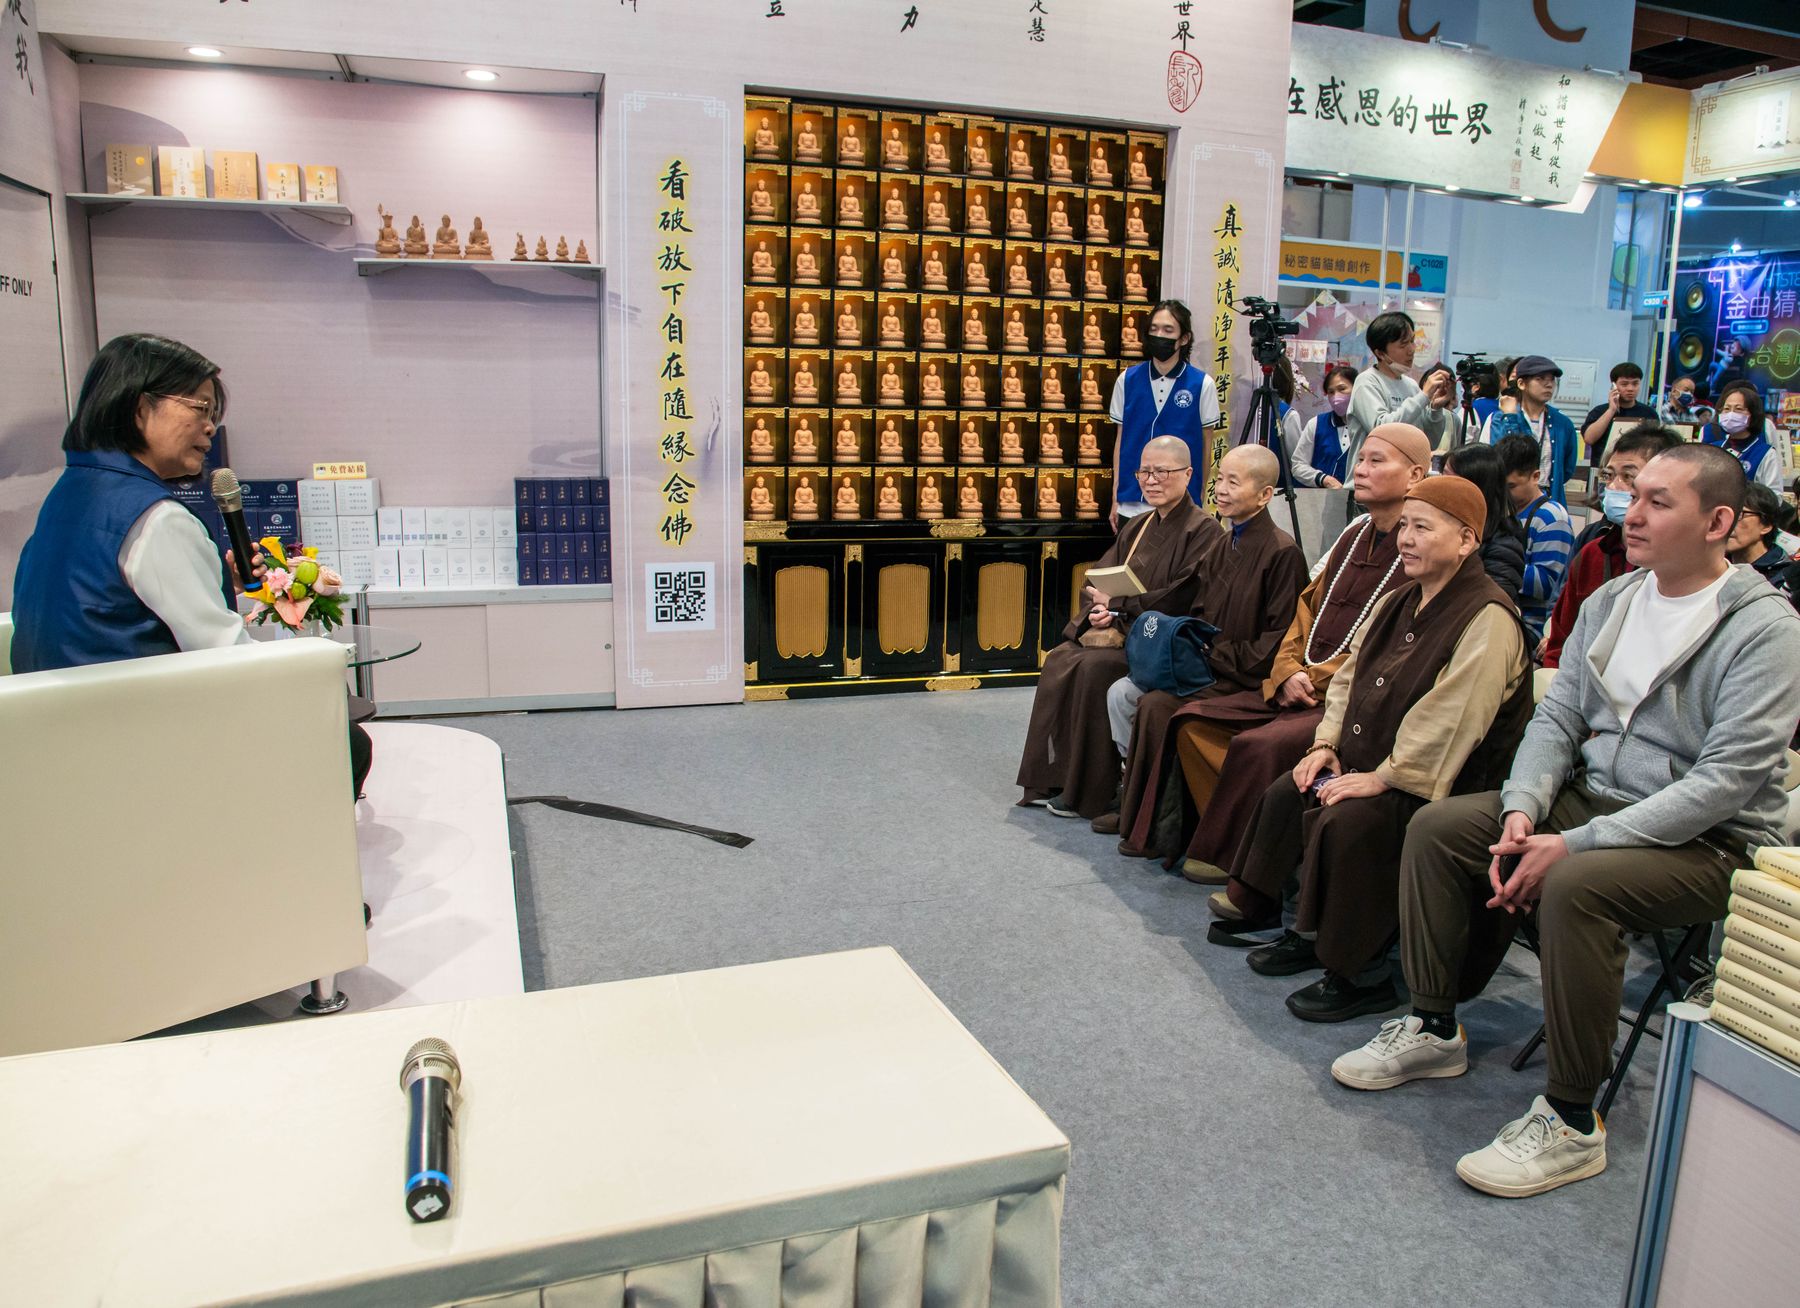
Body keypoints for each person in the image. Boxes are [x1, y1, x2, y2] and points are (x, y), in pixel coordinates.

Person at [1331, 444, 1800, 1199]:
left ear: (1718, 522)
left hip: (1713, 841)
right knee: (1441, 828)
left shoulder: (1766, 628)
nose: (1630, 513)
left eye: (1656, 501)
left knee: (1578, 885)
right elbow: (1557, 719)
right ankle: (1433, 1024)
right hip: (1594, 800)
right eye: (1629, 493)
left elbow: (1725, 784)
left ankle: (1573, 1117)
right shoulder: (1616, 599)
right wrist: (1523, 807)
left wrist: (1572, 842)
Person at [1211, 475, 1532, 1023]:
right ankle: (1303, 932)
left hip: (1440, 783)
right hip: (1373, 760)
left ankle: (1362, 972)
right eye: (1404, 526)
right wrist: (1326, 743)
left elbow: (1452, 720)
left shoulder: (1489, 617)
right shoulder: (1398, 599)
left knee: (1352, 821)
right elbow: (1348, 679)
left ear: (1466, 540)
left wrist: (1385, 777)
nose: (1405, 539)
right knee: (1292, 788)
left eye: (1422, 528)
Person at [9, 334, 372, 797]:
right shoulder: (156, 517)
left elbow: (108, 600)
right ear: (140, 408)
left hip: (57, 735)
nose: (210, 428)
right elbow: (228, 661)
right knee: (347, 742)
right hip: (138, 744)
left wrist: (220, 581)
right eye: (200, 408)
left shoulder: (70, 491)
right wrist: (313, 674)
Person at [1164, 423, 1426, 886]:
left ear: (1416, 476)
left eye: (1376, 461)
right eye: (1361, 459)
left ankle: (1247, 867)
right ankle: (1225, 836)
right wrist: (1286, 669)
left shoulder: (1418, 549)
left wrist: (1310, 677)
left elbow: (1387, 647)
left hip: (1343, 698)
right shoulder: (1354, 533)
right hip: (1296, 680)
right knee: (1191, 723)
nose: (1360, 470)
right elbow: (1305, 610)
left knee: (1257, 747)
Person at [1105, 445, 1306, 848]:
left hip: (1243, 678)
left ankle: (1163, 826)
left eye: (1234, 482)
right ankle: (1139, 806)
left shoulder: (1282, 552)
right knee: (1125, 691)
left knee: (1155, 705)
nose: (1222, 490)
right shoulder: (1224, 543)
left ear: (1265, 495)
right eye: (1220, 480)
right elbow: (1194, 606)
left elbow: (1278, 640)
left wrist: (1212, 656)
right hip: (1207, 664)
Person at [1017, 437, 1222, 819]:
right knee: (1061, 659)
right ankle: (1057, 777)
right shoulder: (1139, 526)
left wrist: (1119, 607)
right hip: (1120, 626)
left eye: (1163, 471)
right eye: (1144, 471)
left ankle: (1096, 790)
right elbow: (1099, 577)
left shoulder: (1205, 531)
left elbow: (1182, 595)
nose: (1151, 480)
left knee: (1094, 669)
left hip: (1156, 643)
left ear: (1188, 474)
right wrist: (1097, 610)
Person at [1542, 427, 1682, 667]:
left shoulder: (1678, 562)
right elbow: (1561, 637)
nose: (1614, 486)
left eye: (1628, 477)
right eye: (1609, 476)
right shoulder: (1593, 551)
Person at [1107, 300, 1220, 528]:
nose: (1160, 335)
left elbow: (1205, 446)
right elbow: (1121, 441)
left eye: (1168, 330)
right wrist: (1115, 497)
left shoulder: (1202, 384)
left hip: (1180, 503)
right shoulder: (1127, 379)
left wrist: (1199, 496)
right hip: (1133, 500)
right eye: (1154, 329)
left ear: (1184, 338)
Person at [1344, 311, 1451, 467]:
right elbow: (1382, 430)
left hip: (1403, 477)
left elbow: (1427, 443)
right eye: (1403, 344)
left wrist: (1435, 410)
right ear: (1380, 353)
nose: (1412, 349)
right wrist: (1423, 396)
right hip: (1370, 478)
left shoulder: (1411, 385)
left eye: (1412, 341)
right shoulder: (1367, 381)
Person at [1495, 433, 1574, 642]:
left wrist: (1494, 564)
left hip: (1530, 627)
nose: (1504, 493)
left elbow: (1548, 583)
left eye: (1511, 486)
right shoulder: (1505, 512)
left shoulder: (1551, 518)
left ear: (1535, 476)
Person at [1480, 356, 1578, 505]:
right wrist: (1511, 418)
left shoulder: (1563, 423)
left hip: (1549, 500)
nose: (1548, 384)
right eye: (1540, 379)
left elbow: (1567, 468)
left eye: (1552, 380)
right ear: (1521, 383)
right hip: (1507, 501)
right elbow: (1495, 460)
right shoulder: (1499, 419)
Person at [1441, 443, 1525, 604]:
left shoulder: (1504, 544)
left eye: (1452, 479)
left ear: (1478, 486)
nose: (1441, 485)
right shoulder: (1447, 525)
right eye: (1443, 475)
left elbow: (1493, 601)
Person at [1700, 382, 1783, 490]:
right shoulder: (1712, 449)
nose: (1730, 414)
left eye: (1738, 409)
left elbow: (1774, 494)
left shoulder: (1766, 453)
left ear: (1753, 414)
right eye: (1726, 409)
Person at [1727, 481, 1800, 602]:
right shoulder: (1712, 566)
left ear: (1766, 525)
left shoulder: (1784, 578)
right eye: (1724, 514)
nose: (1729, 522)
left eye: (1740, 514)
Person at [1288, 364, 1356, 488]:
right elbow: (1298, 465)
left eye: (1342, 389)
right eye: (1331, 392)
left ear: (1357, 389)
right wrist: (1322, 479)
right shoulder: (1317, 424)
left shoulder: (1368, 426)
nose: (1336, 397)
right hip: (1321, 497)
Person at [1580, 362, 1658, 468]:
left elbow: (1656, 445)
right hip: (1603, 469)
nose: (1630, 388)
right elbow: (1589, 439)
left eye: (1635, 384)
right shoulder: (1599, 411)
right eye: (1624, 384)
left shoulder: (1649, 413)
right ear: (1614, 386)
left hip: (1637, 470)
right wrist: (1611, 410)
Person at [1420, 362, 1465, 450]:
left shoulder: (1454, 419)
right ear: (1425, 385)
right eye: (1437, 386)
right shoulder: (1417, 413)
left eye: (1447, 385)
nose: (1441, 390)